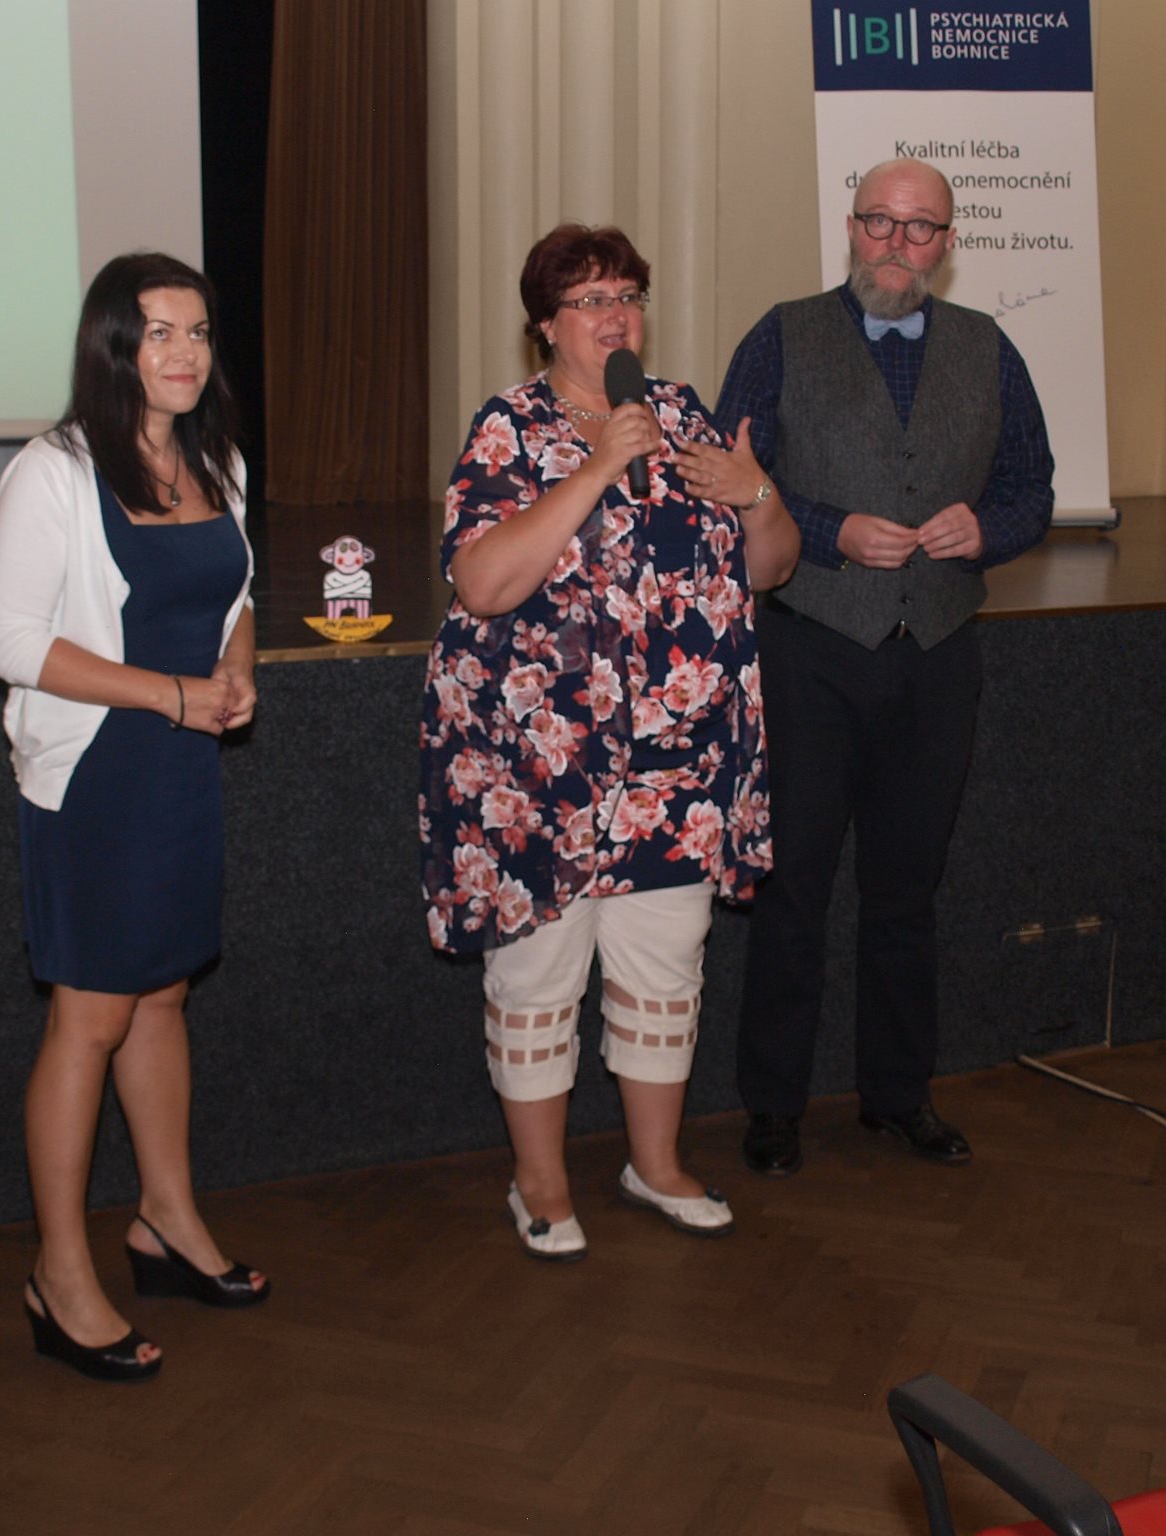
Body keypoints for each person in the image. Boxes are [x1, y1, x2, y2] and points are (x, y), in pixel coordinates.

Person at [419, 223, 799, 1260]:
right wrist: (593, 470)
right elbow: (482, 582)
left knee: (664, 968)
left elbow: (770, 567)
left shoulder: (684, 417)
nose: (615, 316)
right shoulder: (510, 427)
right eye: (590, 300)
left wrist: (756, 494)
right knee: (539, 975)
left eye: (626, 295)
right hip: (542, 764)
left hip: (678, 762)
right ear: (545, 324)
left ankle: (655, 1164)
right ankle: (540, 1181)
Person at [710, 158, 1055, 1177]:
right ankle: (773, 1105)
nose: (896, 245)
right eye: (879, 222)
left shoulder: (990, 350)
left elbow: (1031, 489)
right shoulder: (780, 336)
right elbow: (729, 479)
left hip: (937, 659)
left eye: (919, 228)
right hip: (808, 652)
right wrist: (828, 530)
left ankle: (898, 1096)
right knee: (792, 891)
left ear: (947, 244)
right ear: (851, 226)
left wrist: (986, 530)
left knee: (907, 894)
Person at [0, 252, 268, 1381]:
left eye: (197, 331)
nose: (184, 352)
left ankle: (165, 1220)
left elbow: (234, 597)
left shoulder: (217, 457)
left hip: (181, 768)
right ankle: (57, 1274)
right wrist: (172, 695)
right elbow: (14, 643)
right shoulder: (53, 472)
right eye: (158, 332)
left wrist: (236, 673)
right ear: (113, 346)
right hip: (99, 773)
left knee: (162, 997)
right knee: (91, 1017)